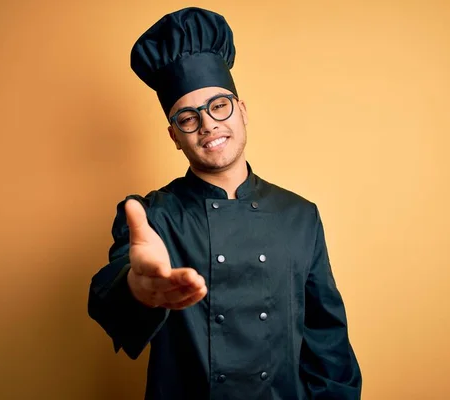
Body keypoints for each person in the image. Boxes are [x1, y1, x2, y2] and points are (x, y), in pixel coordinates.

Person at [87, 7, 362, 400]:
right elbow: (105, 299)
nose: (208, 124)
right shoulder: (152, 217)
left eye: (219, 106)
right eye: (187, 117)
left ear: (242, 110)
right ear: (174, 135)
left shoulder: (300, 215)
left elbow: (328, 345)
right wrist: (136, 289)